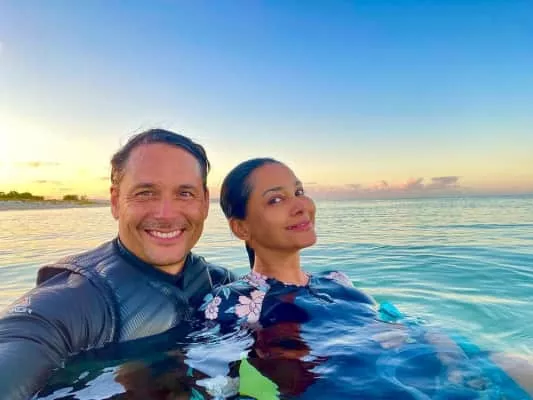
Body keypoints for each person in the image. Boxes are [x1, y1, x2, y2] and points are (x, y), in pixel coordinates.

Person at [197, 158, 532, 399]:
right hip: (359, 389)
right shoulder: (232, 302)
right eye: (276, 199)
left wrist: (449, 352)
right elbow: (215, 387)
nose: (300, 205)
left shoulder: (337, 281)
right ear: (241, 227)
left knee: (518, 363)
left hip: (423, 365)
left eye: (299, 190)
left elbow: (399, 321)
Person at [0, 129, 236, 400]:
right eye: (145, 193)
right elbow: (22, 338)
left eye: (184, 193)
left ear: (204, 203)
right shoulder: (76, 302)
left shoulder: (222, 284)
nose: (166, 214)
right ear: (115, 201)